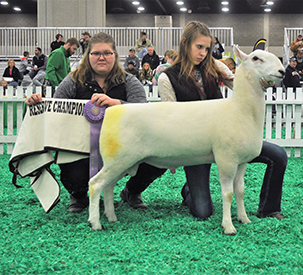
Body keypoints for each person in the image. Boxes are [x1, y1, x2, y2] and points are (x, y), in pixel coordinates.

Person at [157, 21, 287, 220]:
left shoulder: (215, 66)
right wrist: (171, 150)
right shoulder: (167, 78)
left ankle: (269, 208)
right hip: (195, 145)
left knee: (278, 155)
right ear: (185, 43)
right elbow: (169, 115)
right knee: (203, 212)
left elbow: (240, 85)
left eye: (207, 48)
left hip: (229, 138)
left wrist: (260, 80)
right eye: (199, 47)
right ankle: (189, 189)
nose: (203, 53)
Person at [25, 32, 166, 213]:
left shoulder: (130, 81)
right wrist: (38, 103)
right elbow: (56, 110)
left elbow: (144, 113)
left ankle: (132, 191)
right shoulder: (72, 81)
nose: (102, 57)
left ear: (115, 55)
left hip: (126, 149)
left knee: (159, 159)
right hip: (80, 149)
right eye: (96, 53)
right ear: (88, 56)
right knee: (73, 174)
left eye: (107, 53)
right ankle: (79, 195)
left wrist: (117, 104)